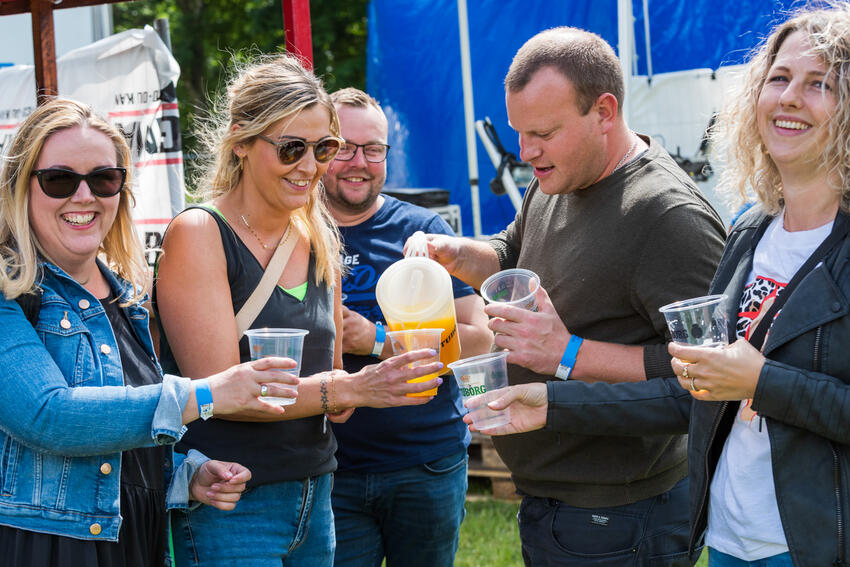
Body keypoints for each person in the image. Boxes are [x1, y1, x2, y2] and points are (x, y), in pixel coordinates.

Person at [469, 5, 850, 566]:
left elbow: (715, 386)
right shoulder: (752, 232)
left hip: (817, 544)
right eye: (778, 77)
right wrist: (550, 402)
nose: (790, 96)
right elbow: (690, 386)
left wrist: (762, 381)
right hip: (731, 537)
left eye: (819, 83)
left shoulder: (674, 216)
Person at [421, 27, 727, 566]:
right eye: (519, 132)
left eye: (542, 132)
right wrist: (457, 253)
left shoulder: (668, 218)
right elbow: (514, 253)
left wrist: (566, 355)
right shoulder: (555, 176)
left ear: (604, 111)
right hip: (558, 503)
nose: (526, 151)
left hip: (623, 515)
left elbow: (707, 388)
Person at [153, 55, 444, 567]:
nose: (310, 167)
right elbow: (218, 391)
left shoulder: (317, 236)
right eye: (291, 148)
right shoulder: (200, 233)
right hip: (232, 501)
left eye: (322, 148)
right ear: (241, 141)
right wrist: (352, 387)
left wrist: (377, 378)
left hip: (317, 495)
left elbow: (329, 382)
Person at [0, 98, 302, 566]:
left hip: (134, 541)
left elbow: (117, 439)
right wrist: (207, 394)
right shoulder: (7, 289)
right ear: (22, 187)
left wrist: (185, 476)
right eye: (59, 180)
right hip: (44, 546)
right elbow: (48, 416)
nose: (84, 197)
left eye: (103, 179)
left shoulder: (127, 298)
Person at [320, 87, 492, 567]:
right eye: (344, 148)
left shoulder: (421, 231)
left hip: (426, 461)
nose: (360, 161)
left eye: (374, 149)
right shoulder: (295, 233)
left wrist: (376, 341)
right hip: (331, 469)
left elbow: (479, 340)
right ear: (321, 150)